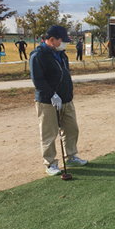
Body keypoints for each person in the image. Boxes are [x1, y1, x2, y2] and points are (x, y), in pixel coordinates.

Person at [30, 25, 87, 176]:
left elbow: (65, 75)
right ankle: (50, 163)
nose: (65, 44)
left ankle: (71, 156)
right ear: (52, 40)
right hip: (47, 102)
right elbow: (38, 81)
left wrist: (67, 94)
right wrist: (52, 95)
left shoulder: (61, 54)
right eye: (62, 41)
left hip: (66, 99)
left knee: (71, 129)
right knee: (49, 133)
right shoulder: (38, 56)